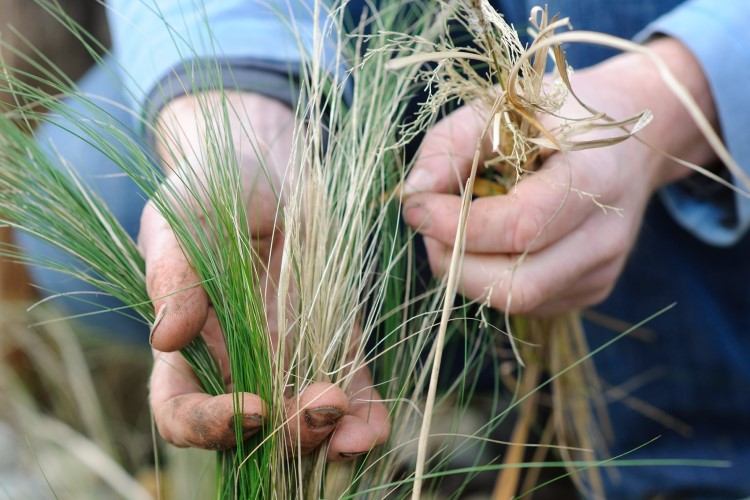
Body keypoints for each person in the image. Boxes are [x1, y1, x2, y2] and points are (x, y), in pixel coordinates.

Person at [18, 0, 750, 497]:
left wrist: (674, 103)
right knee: (95, 193)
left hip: (665, 42)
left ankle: (685, 447)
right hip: (392, 42)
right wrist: (230, 108)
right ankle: (488, 371)